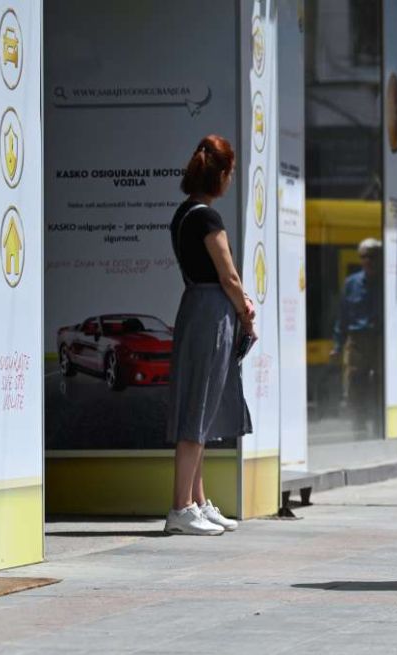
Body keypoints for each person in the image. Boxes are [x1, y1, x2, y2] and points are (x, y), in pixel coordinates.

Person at [165, 135, 256, 535]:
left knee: (199, 405)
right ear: (221, 174)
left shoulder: (183, 214)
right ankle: (181, 507)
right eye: (230, 173)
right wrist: (246, 314)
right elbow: (229, 275)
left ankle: (197, 502)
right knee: (199, 407)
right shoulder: (208, 218)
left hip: (195, 306)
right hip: (211, 313)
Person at [330, 238, 383, 435]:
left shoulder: (386, 282)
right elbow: (343, 316)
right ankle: (359, 428)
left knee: (381, 385)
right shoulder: (352, 283)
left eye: (372, 256)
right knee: (356, 385)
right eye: (363, 257)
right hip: (357, 342)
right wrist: (337, 345)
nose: (368, 261)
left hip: (380, 340)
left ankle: (380, 427)